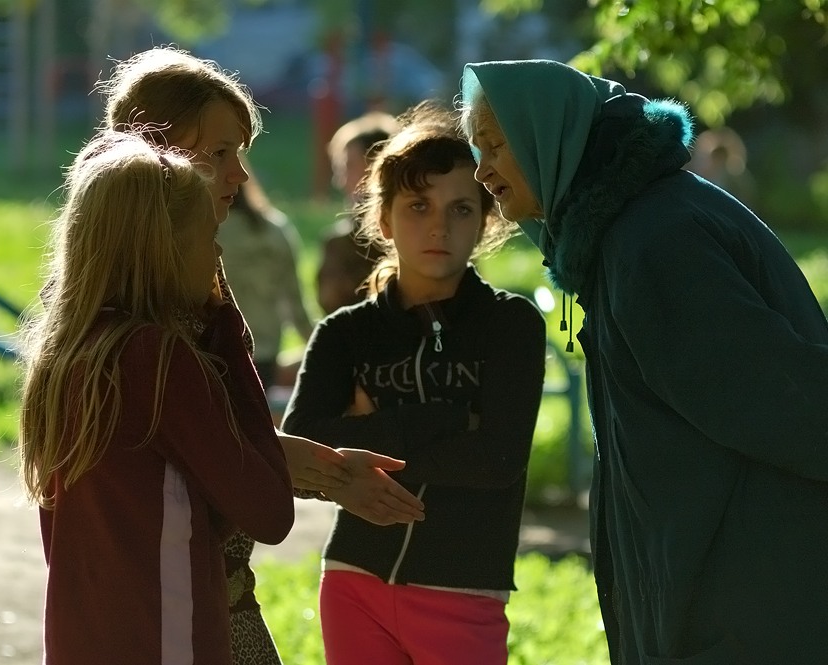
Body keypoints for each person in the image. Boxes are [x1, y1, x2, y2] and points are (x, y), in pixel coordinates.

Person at [459, 58, 828, 664]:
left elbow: (784, 402)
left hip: (745, 611)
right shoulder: (626, 230)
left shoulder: (654, 243)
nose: (482, 170)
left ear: (548, 137)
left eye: (497, 144)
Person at [98, 45, 425, 665]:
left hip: (199, 600)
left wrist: (328, 471)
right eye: (220, 154)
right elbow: (251, 491)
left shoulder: (127, 303)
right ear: (156, 156)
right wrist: (224, 319)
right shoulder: (155, 330)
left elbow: (216, 439)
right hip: (171, 615)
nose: (240, 175)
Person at [281, 101, 547, 665]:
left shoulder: (511, 325)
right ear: (383, 220)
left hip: (463, 586)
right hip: (354, 581)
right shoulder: (343, 334)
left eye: (460, 209)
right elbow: (301, 447)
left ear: (486, 219)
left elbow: (498, 460)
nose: (437, 227)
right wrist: (442, 420)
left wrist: (362, 444)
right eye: (418, 206)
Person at [18, 130, 297, 664]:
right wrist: (228, 331)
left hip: (83, 641)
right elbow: (269, 510)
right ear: (164, 249)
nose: (217, 254)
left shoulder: (70, 352)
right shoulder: (155, 359)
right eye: (208, 238)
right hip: (167, 638)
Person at [218, 157, 314, 390]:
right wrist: (320, 349)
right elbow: (296, 305)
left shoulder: (203, 231)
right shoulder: (275, 229)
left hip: (218, 352)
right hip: (265, 352)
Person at [316, 111, 399, 315]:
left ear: (378, 166)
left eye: (347, 167)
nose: (340, 181)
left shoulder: (341, 244)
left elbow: (332, 305)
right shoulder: (437, 228)